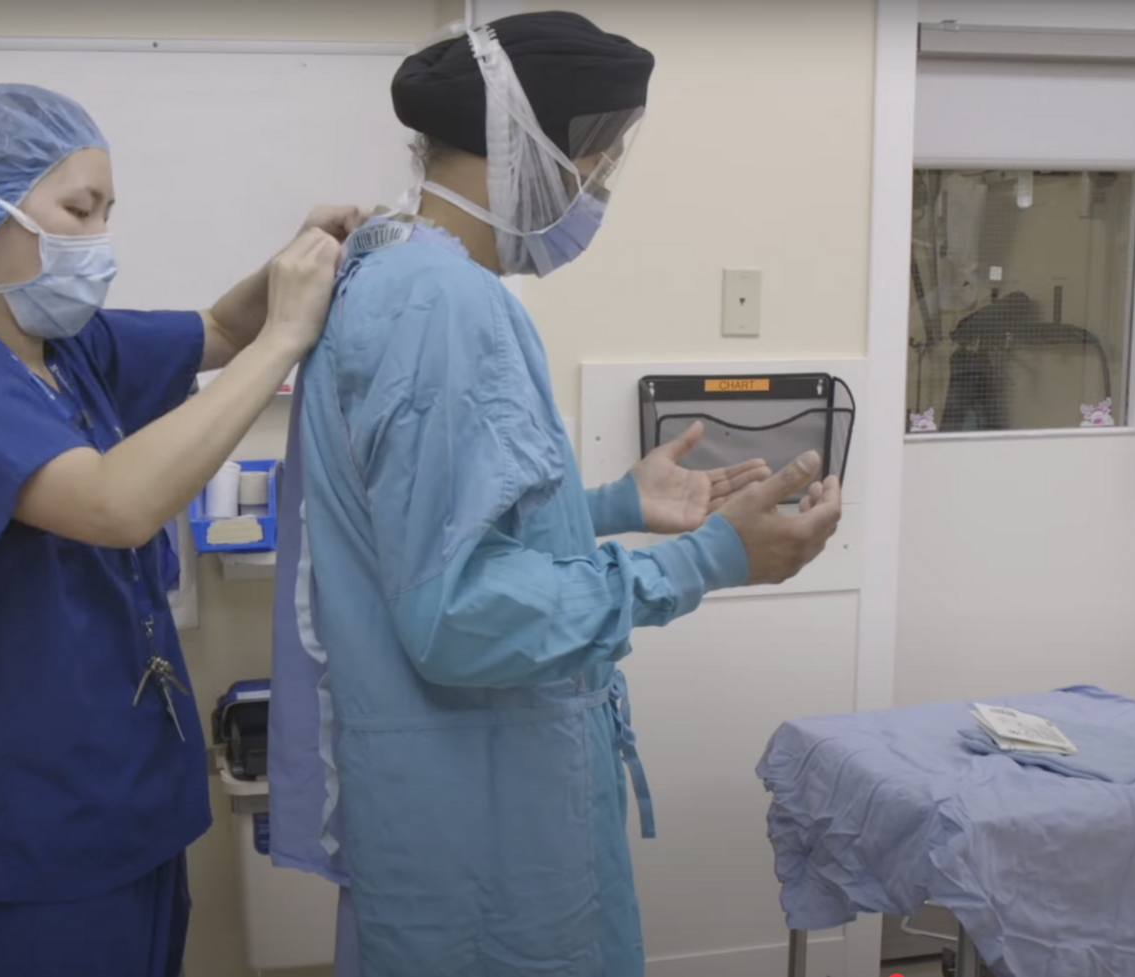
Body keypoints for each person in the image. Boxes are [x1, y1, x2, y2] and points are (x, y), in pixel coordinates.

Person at [267, 14, 844, 977]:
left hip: (459, 792)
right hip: (478, 818)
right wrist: (713, 559)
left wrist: (613, 504)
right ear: (522, 147)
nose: (595, 190)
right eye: (594, 162)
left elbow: (437, 525)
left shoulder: (399, 272)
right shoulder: (442, 304)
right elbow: (457, 614)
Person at [0, 83, 360, 977]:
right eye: (76, 209)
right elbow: (114, 505)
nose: (97, 237)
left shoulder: (67, 348)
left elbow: (216, 329)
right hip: (46, 824)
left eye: (107, 211)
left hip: (138, 803)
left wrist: (295, 263)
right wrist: (284, 343)